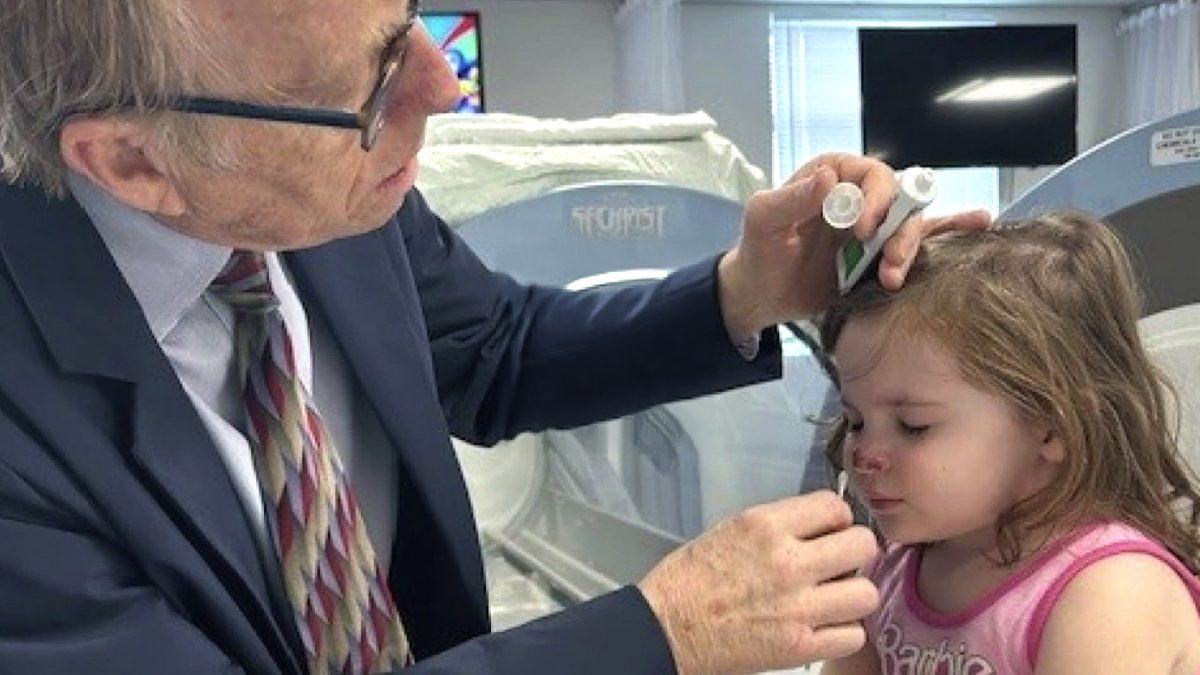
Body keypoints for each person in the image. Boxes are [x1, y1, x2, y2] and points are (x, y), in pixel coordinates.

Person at [0, 2, 989, 674]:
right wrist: (660, 634)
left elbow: (496, 351)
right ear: (132, 160)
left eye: (409, 25)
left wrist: (746, 289)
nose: (441, 89)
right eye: (373, 85)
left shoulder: (336, 199)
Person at [817, 212, 1200, 675]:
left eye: (914, 425)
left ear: (1052, 426)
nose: (862, 454)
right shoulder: (889, 574)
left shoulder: (1110, 592)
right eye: (856, 420)